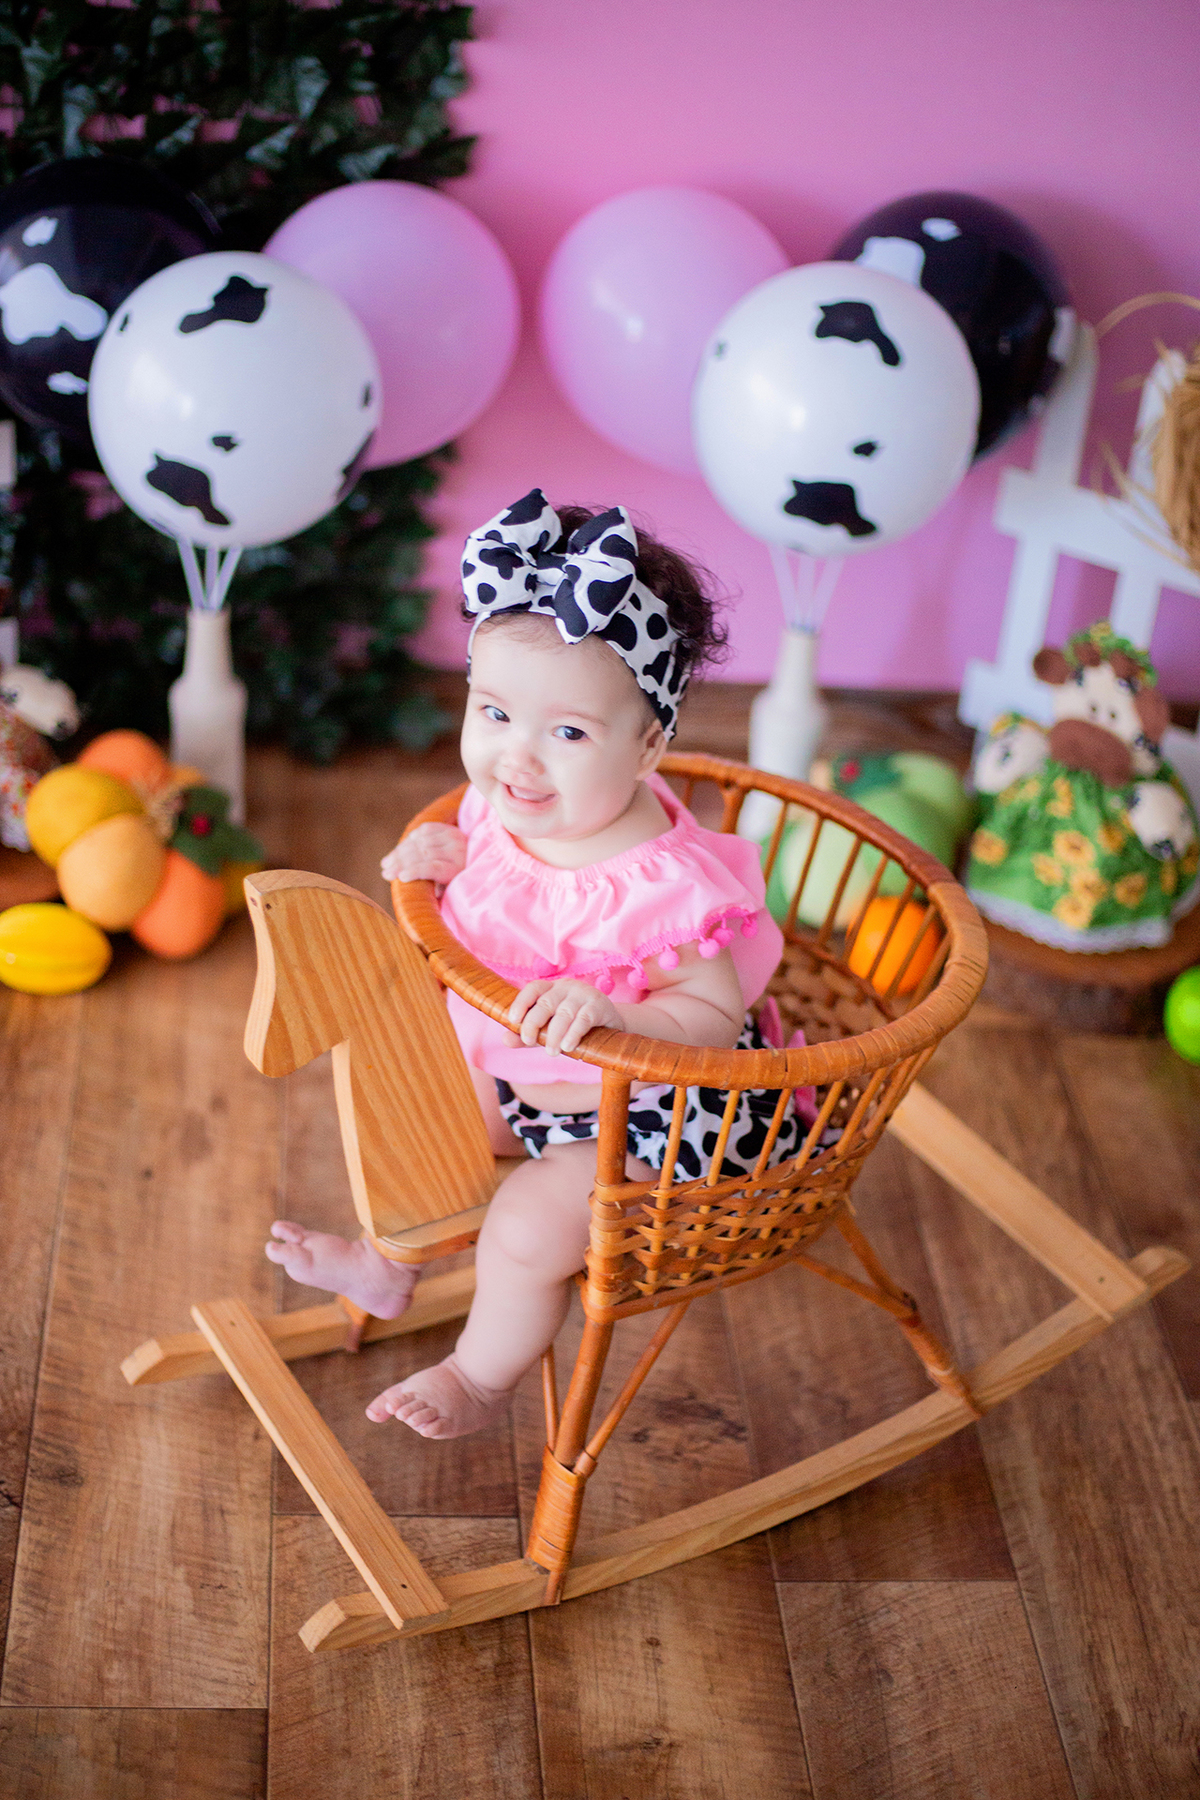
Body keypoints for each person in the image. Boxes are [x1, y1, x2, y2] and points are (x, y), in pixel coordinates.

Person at [266, 490, 810, 1439]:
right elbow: (489, 887)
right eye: (494, 711)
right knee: (426, 1114)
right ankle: (388, 1264)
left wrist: (614, 1011)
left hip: (655, 1116)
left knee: (526, 1228)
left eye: (567, 733)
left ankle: (479, 1378)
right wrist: (441, 863)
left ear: (649, 746)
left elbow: (714, 1022)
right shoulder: (511, 808)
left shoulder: (662, 887)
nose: (517, 759)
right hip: (535, 1078)